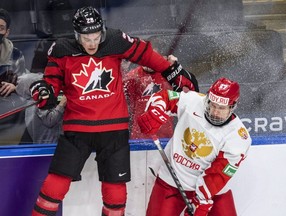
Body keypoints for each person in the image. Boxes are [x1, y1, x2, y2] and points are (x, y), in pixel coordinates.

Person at [29, 6, 198, 216]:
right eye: (86, 38)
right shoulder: (62, 50)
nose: (92, 43)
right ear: (76, 35)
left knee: (115, 194)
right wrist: (44, 93)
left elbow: (145, 54)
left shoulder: (116, 41)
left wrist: (170, 69)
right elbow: (51, 84)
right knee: (55, 184)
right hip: (77, 129)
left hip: (114, 130)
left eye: (96, 37)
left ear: (102, 31)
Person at [137, 77, 252, 216]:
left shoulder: (238, 137)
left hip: (212, 191)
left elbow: (218, 174)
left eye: (221, 108)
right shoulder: (193, 101)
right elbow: (165, 97)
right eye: (212, 105)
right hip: (172, 182)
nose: (215, 112)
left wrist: (201, 199)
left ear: (232, 106)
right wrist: (155, 111)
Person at [16, 73, 66, 144]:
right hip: (47, 145)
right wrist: (61, 105)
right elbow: (49, 120)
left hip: (45, 144)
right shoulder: (38, 101)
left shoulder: (29, 102)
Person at [0, 8, 27, 97]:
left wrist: (14, 87)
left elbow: (23, 83)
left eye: (1, 28)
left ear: (7, 32)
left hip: (7, 106)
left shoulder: (16, 55)